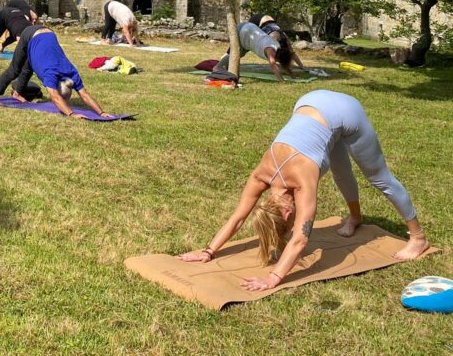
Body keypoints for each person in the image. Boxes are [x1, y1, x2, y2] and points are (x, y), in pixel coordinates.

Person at [178, 89, 430, 290]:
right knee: (341, 173)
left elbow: (301, 239)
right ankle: (355, 218)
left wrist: (273, 278)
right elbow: (238, 216)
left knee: (379, 178)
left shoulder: (301, 180)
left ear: (287, 215)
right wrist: (209, 251)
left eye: (286, 227)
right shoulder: (260, 175)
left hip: (345, 111)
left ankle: (418, 238)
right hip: (309, 102)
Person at [0, 24, 115, 118]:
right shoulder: (50, 74)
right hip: (30, 34)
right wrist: (71, 114)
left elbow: (84, 95)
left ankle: (17, 93)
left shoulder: (72, 73)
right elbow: (54, 96)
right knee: (15, 69)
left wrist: (101, 112)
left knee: (29, 68)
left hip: (48, 33)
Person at [215, 21, 298, 82]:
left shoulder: (278, 48)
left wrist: (292, 76)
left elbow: (284, 65)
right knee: (236, 53)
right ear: (279, 59)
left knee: (240, 53)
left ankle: (224, 66)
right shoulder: (271, 50)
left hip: (248, 29)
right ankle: (217, 68)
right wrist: (282, 81)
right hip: (244, 31)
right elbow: (273, 65)